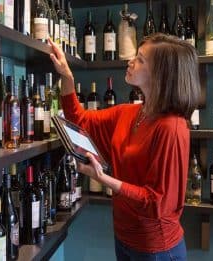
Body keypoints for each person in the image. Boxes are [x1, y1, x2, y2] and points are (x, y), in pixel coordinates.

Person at [48, 33, 200, 260]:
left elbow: (156, 203)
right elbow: (80, 120)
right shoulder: (129, 113)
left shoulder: (172, 127)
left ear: (160, 74)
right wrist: (67, 76)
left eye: (140, 59)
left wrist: (103, 178)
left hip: (156, 249)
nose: (130, 61)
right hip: (123, 238)